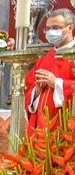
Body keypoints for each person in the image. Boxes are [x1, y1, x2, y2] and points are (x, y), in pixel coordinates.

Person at [25, 8, 75, 136]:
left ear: (71, 28)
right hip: (42, 128)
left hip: (66, 126)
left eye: (56, 27)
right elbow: (28, 87)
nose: (51, 32)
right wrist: (36, 90)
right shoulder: (44, 59)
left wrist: (56, 83)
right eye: (48, 29)